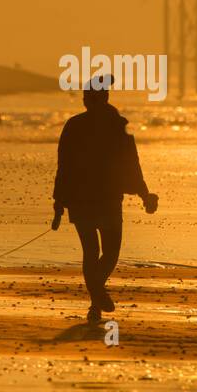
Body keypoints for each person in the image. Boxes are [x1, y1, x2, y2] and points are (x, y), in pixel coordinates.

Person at [52, 75, 158, 324]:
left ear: (98, 98)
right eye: (85, 96)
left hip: (86, 199)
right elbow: (131, 164)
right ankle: (96, 298)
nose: (85, 100)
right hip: (104, 199)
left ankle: (96, 296)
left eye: (88, 96)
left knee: (94, 252)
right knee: (108, 253)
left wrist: (59, 201)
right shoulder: (117, 124)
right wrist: (143, 193)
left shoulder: (76, 125)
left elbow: (64, 166)